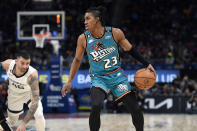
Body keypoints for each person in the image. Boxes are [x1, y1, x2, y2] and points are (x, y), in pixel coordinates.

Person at [61, 6, 156, 131]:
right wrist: (69, 81)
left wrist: (146, 63)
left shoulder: (115, 33)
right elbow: (77, 60)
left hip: (117, 77)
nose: (85, 22)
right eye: (85, 19)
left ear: (97, 20)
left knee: (135, 109)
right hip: (98, 78)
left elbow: (130, 50)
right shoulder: (83, 38)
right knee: (96, 105)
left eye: (88, 19)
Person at [0, 51, 45, 131]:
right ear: (16, 61)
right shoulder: (8, 64)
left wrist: (24, 123)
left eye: (27, 63)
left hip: (28, 94)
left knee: (39, 115)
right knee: (11, 121)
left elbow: (35, 102)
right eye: (22, 63)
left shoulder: (32, 75)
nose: (25, 66)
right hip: (14, 95)